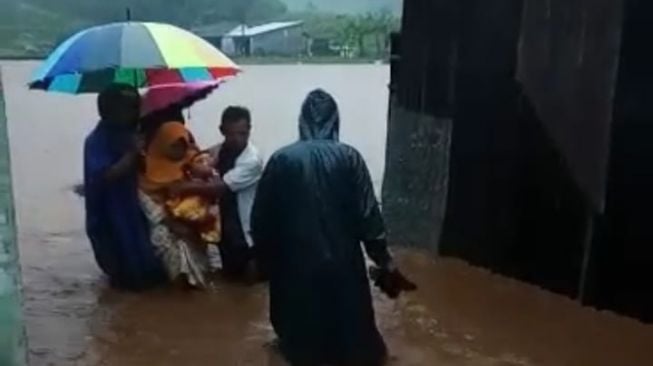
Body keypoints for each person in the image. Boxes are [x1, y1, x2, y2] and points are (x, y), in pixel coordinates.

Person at [251, 89, 413, 366]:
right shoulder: (350, 158)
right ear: (336, 121)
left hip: (295, 268)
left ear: (301, 121)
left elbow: (261, 220)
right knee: (358, 346)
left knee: (298, 345)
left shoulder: (282, 159)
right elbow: (369, 220)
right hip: (344, 268)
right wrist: (385, 262)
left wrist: (264, 262)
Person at [83, 83, 166, 290]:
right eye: (129, 108)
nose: (135, 113)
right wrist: (132, 153)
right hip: (108, 217)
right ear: (110, 111)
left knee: (148, 269)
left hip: (133, 211)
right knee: (123, 275)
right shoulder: (96, 141)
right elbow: (105, 176)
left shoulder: (129, 133)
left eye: (135, 107)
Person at [138, 120, 221, 288]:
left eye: (182, 145)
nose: (179, 151)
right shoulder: (146, 173)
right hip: (166, 227)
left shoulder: (194, 164)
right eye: (174, 146)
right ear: (162, 144)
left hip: (196, 225)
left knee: (205, 275)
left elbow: (216, 187)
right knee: (176, 263)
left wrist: (190, 187)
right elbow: (150, 208)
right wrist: (174, 224)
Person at [208, 106, 263, 279]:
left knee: (250, 283)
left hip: (246, 230)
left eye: (242, 134)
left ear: (249, 130)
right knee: (229, 278)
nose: (237, 139)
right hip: (225, 225)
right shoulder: (218, 151)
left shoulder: (252, 159)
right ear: (222, 131)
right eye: (231, 134)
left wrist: (183, 188)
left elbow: (220, 187)